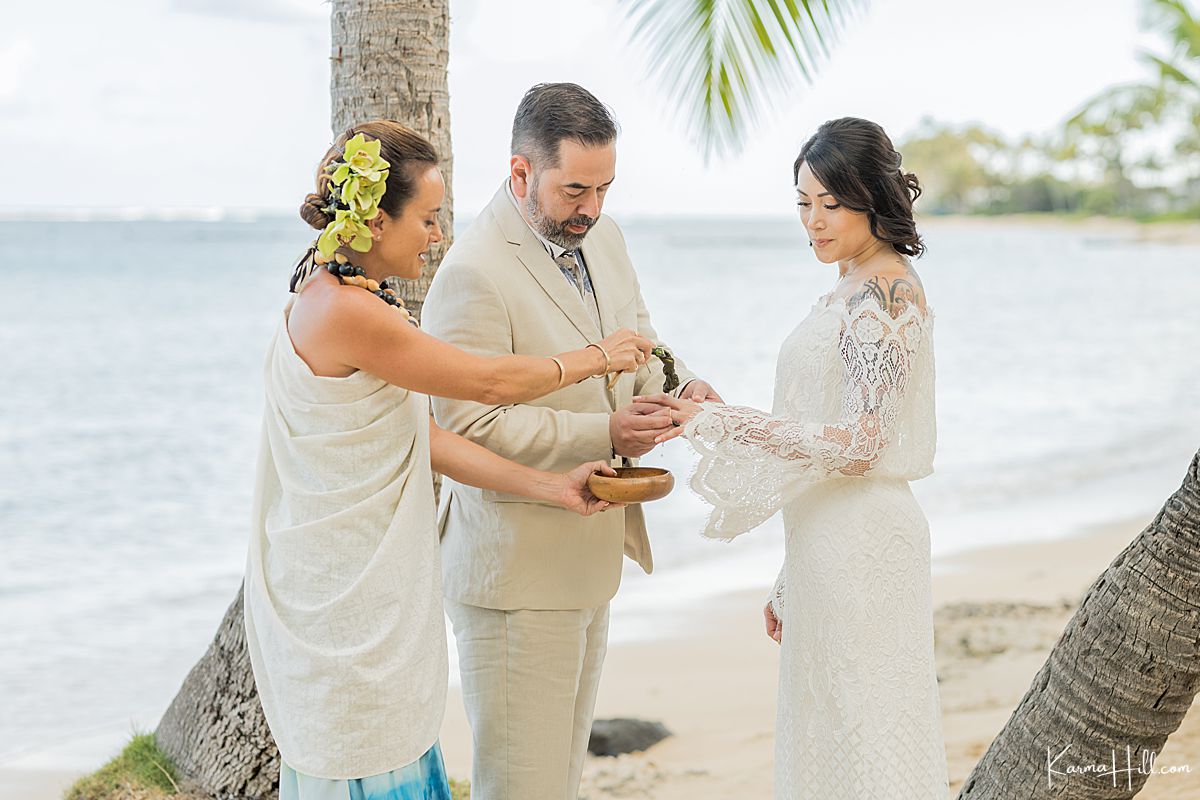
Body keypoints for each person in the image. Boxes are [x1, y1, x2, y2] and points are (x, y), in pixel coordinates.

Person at [241, 120, 653, 800]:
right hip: (343, 590)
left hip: (376, 585)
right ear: (375, 221)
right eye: (428, 219)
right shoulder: (347, 312)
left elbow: (420, 436)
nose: (436, 237)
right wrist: (597, 358)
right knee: (362, 754)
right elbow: (485, 383)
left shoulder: (355, 298)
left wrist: (549, 488)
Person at [421, 83, 721, 800]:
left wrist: (682, 389)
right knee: (519, 787)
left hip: (589, 554)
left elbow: (639, 342)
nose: (591, 208)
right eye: (575, 189)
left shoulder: (604, 238)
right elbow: (467, 427)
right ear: (521, 173)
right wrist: (608, 431)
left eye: (604, 188)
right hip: (515, 573)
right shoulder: (471, 274)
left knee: (559, 782)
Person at [639, 117, 949, 798]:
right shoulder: (847, 286)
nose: (814, 220)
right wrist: (788, 573)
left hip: (868, 544)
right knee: (829, 730)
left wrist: (724, 423)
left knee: (868, 734)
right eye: (804, 203)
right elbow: (821, 435)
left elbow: (862, 446)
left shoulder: (887, 293)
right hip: (827, 543)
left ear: (873, 197)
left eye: (831, 204)